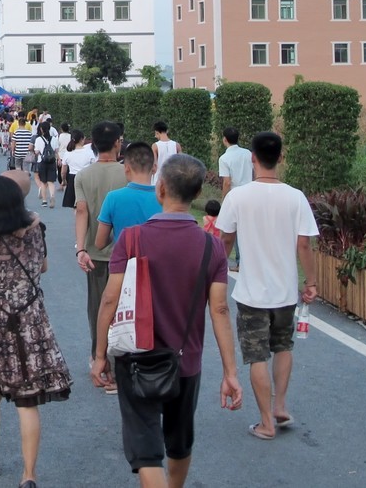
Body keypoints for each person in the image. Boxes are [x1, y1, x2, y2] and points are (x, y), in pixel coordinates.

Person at [91, 154, 243, 487]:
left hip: (135, 358)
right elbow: (219, 310)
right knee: (179, 442)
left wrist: (100, 354)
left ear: (160, 188)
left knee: (147, 453)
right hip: (185, 362)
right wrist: (230, 372)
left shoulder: (131, 238)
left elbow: (110, 299)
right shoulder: (212, 247)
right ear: (197, 193)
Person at [0, 168, 72, 488]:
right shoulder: (37, 231)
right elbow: (42, 267)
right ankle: (29, 475)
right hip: (30, 321)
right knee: (27, 401)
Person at [215, 131, 318, 440]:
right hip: (285, 291)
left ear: (253, 158)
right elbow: (304, 245)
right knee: (284, 346)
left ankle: (265, 423)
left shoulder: (238, 196)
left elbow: (225, 239)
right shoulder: (296, 197)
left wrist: (216, 271)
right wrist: (310, 281)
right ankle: (280, 406)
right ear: (281, 157)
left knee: (257, 355)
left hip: (251, 293)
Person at [74, 122, 126, 390]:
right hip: (126, 254)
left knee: (97, 309)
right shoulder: (127, 173)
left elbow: (81, 210)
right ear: (118, 142)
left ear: (92, 143)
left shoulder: (83, 176)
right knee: (124, 308)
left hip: (95, 254)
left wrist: (81, 248)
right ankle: (121, 366)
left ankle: (100, 361)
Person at [94, 142, 163, 250]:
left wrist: (117, 236)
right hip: (156, 259)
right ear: (154, 168)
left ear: (126, 168)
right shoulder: (166, 200)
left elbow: (100, 243)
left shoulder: (113, 198)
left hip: (124, 259)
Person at [217, 127, 252, 271]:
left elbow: (227, 182)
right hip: (250, 193)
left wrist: (224, 199)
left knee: (233, 230)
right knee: (248, 229)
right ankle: (245, 261)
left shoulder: (224, 158)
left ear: (224, 139)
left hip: (235, 196)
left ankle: (238, 262)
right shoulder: (248, 153)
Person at [62, 130, 95, 209]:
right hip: (86, 178)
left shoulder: (68, 153)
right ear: (81, 139)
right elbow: (94, 167)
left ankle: (77, 216)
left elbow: (63, 171)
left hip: (72, 178)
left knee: (75, 204)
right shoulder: (89, 152)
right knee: (86, 202)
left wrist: (64, 180)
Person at [31, 121, 60, 209]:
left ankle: (44, 201)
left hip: (42, 162)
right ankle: (52, 196)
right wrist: (58, 159)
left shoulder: (38, 139)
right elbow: (56, 151)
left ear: (41, 129)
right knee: (51, 182)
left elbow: (36, 152)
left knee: (43, 182)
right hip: (52, 162)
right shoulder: (54, 139)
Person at [150, 122, 180, 187]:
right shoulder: (177, 145)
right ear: (167, 131)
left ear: (157, 132)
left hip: (159, 179)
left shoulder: (155, 146)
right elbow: (181, 164)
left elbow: (154, 165)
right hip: (173, 179)